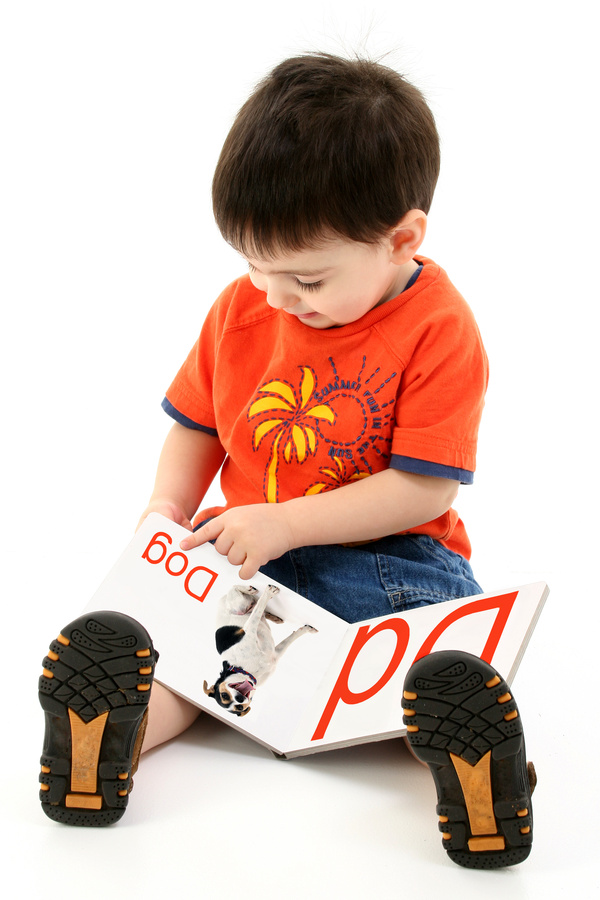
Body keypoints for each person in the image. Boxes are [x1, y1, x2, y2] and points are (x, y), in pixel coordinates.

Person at [38, 53, 534, 868]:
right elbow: (196, 425)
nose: (274, 298)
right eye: (254, 267)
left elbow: (421, 488)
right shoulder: (244, 306)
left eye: (305, 279)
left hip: (387, 561)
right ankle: (112, 737)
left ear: (401, 237)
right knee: (186, 667)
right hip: (244, 553)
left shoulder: (441, 328)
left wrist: (289, 523)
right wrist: (166, 506)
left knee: (413, 673)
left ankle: (468, 764)